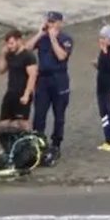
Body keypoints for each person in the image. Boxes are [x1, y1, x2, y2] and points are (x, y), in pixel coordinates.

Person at [27, 11, 74, 156]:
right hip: (43, 80)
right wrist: (39, 34)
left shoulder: (66, 39)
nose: (50, 25)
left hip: (59, 78)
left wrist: (53, 39)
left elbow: (61, 56)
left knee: (59, 114)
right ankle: (38, 142)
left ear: (60, 23)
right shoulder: (42, 38)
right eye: (49, 22)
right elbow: (26, 49)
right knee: (39, 113)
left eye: (53, 22)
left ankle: (56, 143)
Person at [0, 30, 37, 130]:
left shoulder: (28, 56)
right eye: (8, 44)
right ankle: (12, 143)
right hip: (11, 92)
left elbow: (32, 76)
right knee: (4, 124)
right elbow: (1, 70)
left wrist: (26, 94)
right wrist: (3, 55)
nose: (9, 46)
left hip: (22, 92)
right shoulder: (9, 55)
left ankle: (29, 143)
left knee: (22, 123)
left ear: (19, 41)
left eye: (11, 43)